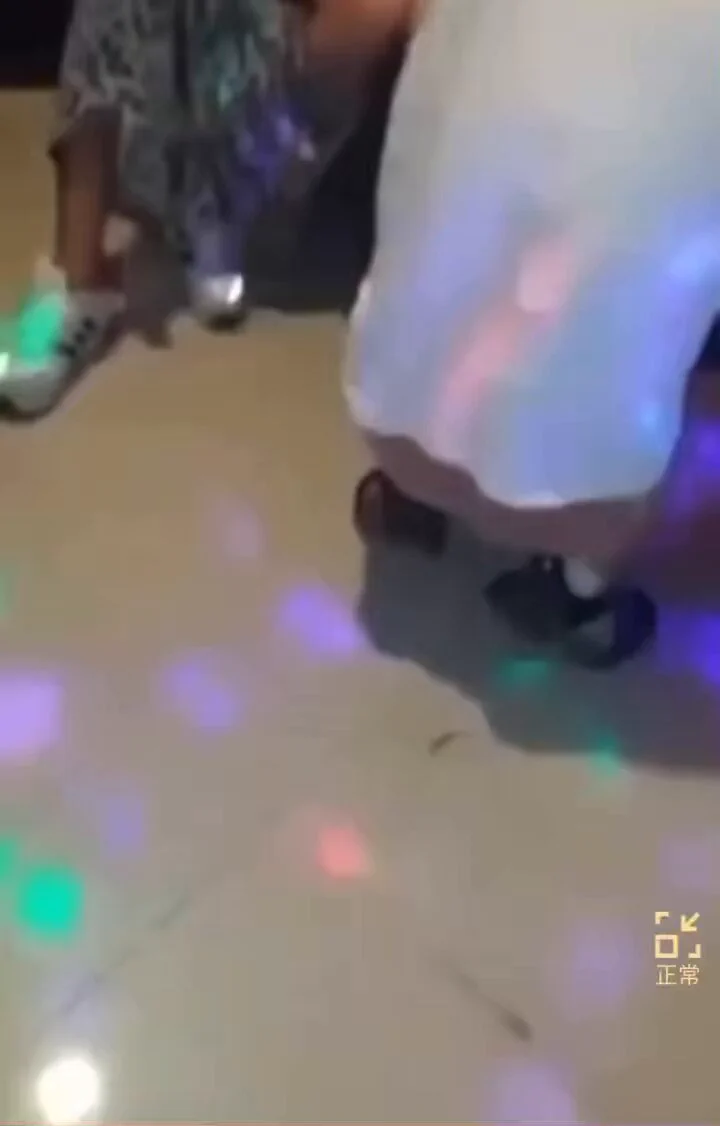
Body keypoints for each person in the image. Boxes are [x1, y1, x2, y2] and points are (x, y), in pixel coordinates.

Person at [345, 0, 720, 668]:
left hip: (391, 414)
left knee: (457, 206)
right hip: (582, 489)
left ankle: (411, 500)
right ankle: (575, 586)